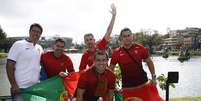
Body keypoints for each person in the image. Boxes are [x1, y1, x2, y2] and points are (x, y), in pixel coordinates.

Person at [109, 28, 163, 101]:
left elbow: (149, 61)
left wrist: (153, 77)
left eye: (128, 35)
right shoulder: (117, 53)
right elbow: (110, 70)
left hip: (143, 85)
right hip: (127, 88)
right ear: (121, 38)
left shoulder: (140, 48)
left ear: (132, 36)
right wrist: (114, 86)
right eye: (124, 36)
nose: (127, 38)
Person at [6, 23, 43, 101]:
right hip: (20, 89)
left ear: (40, 35)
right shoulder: (18, 44)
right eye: (34, 31)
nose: (36, 33)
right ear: (29, 32)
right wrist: (14, 85)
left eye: (38, 32)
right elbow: (9, 65)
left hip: (34, 88)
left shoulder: (40, 48)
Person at [79, 3, 116, 71]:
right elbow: (81, 71)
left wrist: (114, 15)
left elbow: (108, 32)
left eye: (90, 39)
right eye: (87, 40)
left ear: (94, 40)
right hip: (94, 78)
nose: (89, 41)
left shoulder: (100, 45)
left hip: (106, 76)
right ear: (85, 42)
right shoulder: (85, 55)